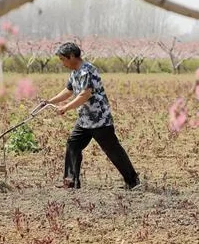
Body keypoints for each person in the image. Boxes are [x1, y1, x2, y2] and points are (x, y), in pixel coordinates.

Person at [43, 42, 141, 190]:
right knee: (73, 145)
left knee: (112, 150)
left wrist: (65, 108)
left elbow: (85, 95)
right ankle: (71, 182)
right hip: (84, 119)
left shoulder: (87, 71)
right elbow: (69, 90)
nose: (62, 63)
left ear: (72, 56)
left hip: (99, 119)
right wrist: (49, 101)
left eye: (63, 59)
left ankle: (133, 181)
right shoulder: (75, 72)